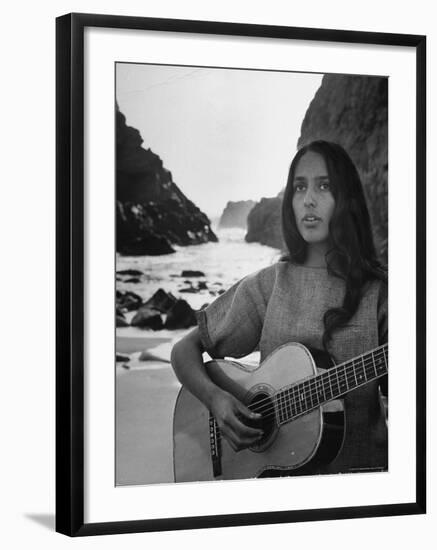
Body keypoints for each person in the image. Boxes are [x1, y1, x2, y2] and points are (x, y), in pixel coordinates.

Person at [171, 140, 388, 474]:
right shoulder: (270, 285)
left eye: (324, 186)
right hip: (275, 492)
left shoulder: (380, 293)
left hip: (361, 484)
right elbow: (185, 349)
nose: (308, 199)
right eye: (299, 187)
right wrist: (215, 399)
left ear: (347, 199)